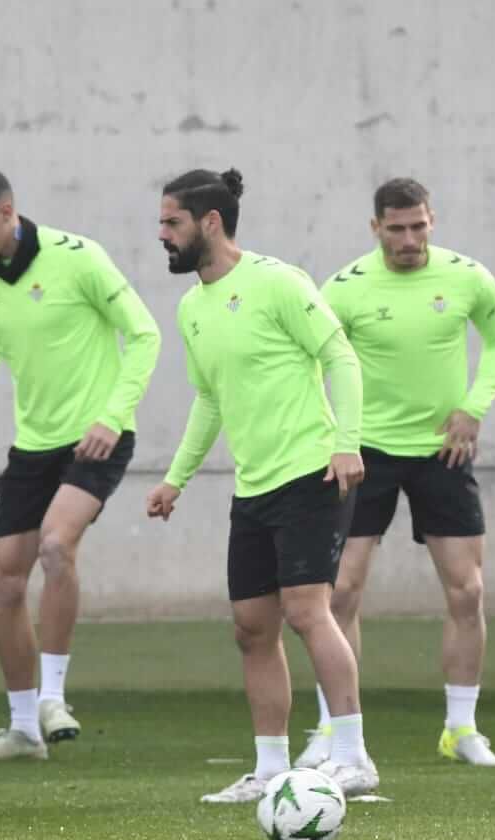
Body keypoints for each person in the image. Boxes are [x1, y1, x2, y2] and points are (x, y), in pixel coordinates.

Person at [0, 166, 161, 760]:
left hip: (98, 438)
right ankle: (23, 729)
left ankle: (53, 695)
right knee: (3, 579)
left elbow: (144, 335)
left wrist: (113, 414)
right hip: (33, 445)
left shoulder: (80, 258)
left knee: (55, 546)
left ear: (6, 211)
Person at [146, 168, 378, 802]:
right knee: (251, 627)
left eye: (172, 223)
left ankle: (353, 757)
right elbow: (208, 399)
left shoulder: (277, 281)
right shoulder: (192, 306)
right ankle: (271, 767)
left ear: (210, 222)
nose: (161, 234)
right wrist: (176, 479)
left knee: (308, 612)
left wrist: (346, 443)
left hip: (311, 471)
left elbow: (340, 357)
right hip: (254, 489)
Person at [297, 177, 495, 769]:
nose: (409, 239)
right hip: (365, 453)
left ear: (432, 220)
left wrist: (474, 407)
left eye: (418, 226)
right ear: (376, 229)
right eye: (396, 229)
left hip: (443, 452)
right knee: (339, 591)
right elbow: (315, 365)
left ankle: (461, 728)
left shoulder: (468, 276)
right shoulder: (343, 288)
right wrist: (336, 437)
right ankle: (329, 729)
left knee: (467, 591)